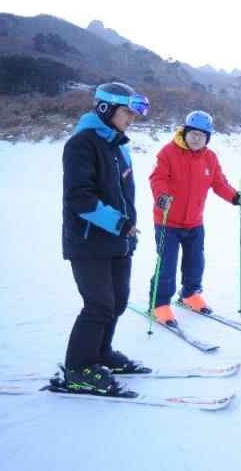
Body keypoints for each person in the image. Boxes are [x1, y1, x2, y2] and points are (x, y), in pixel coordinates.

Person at [61, 82, 151, 395]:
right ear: (106, 108)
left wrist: (128, 230)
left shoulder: (118, 146)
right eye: (127, 112)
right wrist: (118, 223)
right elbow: (79, 198)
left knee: (117, 302)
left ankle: (101, 354)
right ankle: (78, 369)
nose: (131, 119)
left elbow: (124, 197)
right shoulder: (82, 144)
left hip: (118, 241)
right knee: (98, 305)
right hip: (89, 242)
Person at [148, 110, 241, 324]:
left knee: (196, 261)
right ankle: (159, 303)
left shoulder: (209, 158)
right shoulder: (168, 153)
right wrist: (161, 196)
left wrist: (235, 197)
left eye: (202, 135)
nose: (196, 138)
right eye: (193, 133)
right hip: (167, 221)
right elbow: (158, 179)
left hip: (194, 221)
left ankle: (190, 294)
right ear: (184, 132)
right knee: (167, 263)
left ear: (207, 138)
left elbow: (219, 183)